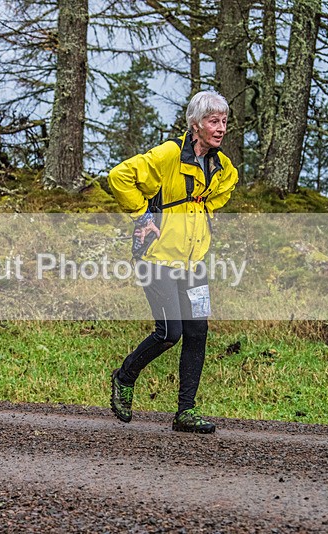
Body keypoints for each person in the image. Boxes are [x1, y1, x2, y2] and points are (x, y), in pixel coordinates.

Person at [107, 90, 238, 433]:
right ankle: (124, 376)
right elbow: (119, 177)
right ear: (196, 125)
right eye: (213, 121)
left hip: (194, 262)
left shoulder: (220, 165)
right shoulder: (168, 155)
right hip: (157, 259)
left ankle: (185, 412)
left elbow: (228, 185)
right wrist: (143, 214)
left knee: (198, 332)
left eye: (224, 121)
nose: (221, 128)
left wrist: (205, 205)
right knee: (170, 332)